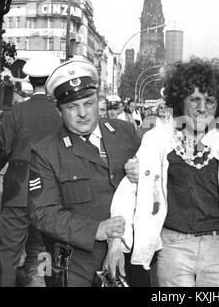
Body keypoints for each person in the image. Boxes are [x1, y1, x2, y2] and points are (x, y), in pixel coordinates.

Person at [104, 58, 219, 287]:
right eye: (194, 99)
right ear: (180, 100)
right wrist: (116, 242)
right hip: (172, 245)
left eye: (210, 101)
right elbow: (129, 191)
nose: (202, 108)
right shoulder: (157, 140)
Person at [27, 60, 141, 287]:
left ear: (98, 101)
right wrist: (95, 229)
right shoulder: (46, 151)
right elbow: (43, 213)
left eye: (88, 103)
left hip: (128, 258)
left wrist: (146, 175)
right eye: (72, 107)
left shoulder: (125, 133)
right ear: (59, 110)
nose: (82, 114)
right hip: (74, 264)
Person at [0, 56, 62, 287]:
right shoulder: (61, 114)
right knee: (51, 252)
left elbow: (1, 150)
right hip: (51, 194)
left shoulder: (15, 112)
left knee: (7, 254)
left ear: (30, 80)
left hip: (17, 192)